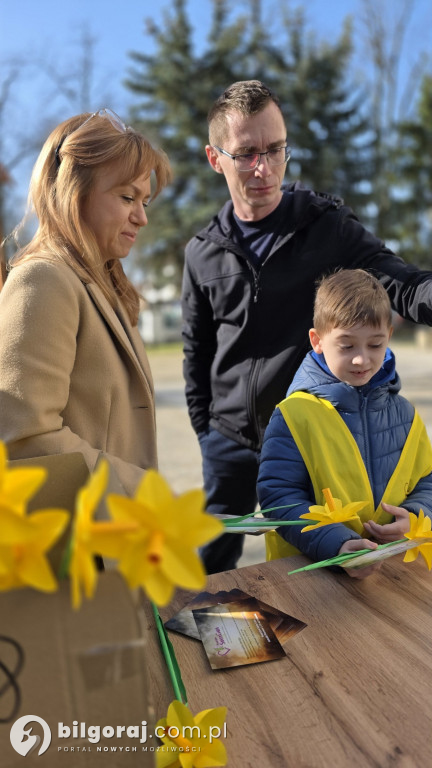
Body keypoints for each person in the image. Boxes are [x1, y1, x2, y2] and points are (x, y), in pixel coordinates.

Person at [182, 78, 432, 574]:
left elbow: (401, 281)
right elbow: (197, 352)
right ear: (216, 159)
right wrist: (208, 432)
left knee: (324, 564)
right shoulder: (201, 252)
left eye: (275, 150)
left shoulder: (326, 225)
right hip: (229, 442)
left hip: (310, 435)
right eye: (246, 153)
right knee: (214, 565)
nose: (263, 168)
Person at [0, 109, 171, 495]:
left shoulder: (107, 288)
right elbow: (25, 439)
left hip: (116, 541)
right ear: (73, 191)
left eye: (145, 201)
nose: (142, 218)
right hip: (76, 550)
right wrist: (144, 496)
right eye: (128, 196)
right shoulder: (43, 281)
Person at [257, 269, 432, 578]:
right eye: (347, 346)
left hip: (390, 578)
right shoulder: (294, 414)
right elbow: (278, 498)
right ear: (317, 341)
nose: (361, 360)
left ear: (389, 337)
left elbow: (427, 481)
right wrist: (336, 545)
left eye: (375, 345)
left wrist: (416, 515)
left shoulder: (407, 414)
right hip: (310, 578)